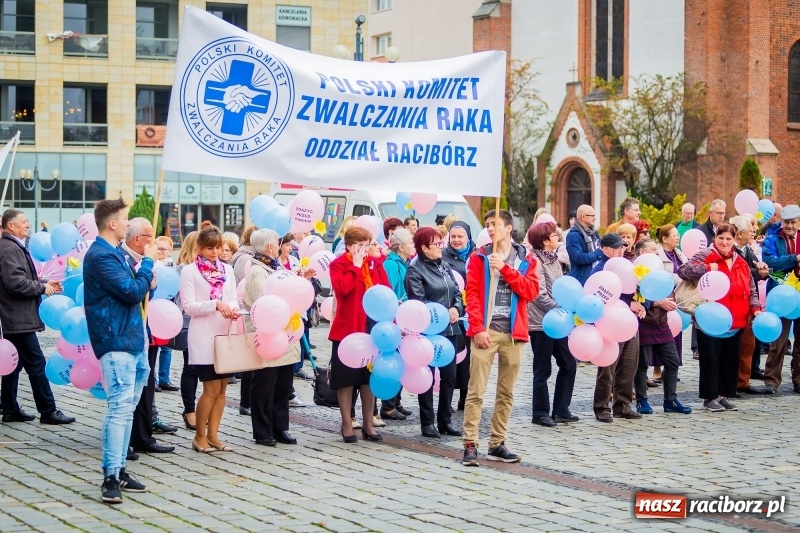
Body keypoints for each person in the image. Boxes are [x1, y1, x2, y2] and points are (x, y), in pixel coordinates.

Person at [83, 199, 155, 503]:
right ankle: (110, 475)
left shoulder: (115, 254)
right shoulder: (101, 256)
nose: (128, 224)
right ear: (112, 224)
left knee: (127, 410)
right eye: (125, 219)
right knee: (119, 408)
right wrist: (148, 265)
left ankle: (121, 468)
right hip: (115, 342)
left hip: (133, 341)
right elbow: (132, 291)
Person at [462, 209, 539, 466]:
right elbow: (471, 294)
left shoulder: (525, 258)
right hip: (487, 330)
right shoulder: (479, 257)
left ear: (509, 228)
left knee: (506, 392)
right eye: (488, 224)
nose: (491, 228)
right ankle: (470, 443)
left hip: (514, 333)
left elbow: (530, 291)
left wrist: (505, 269)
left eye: (496, 224)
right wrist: (478, 328)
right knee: (476, 391)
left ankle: (497, 443)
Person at [0, 209, 75, 425]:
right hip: (16, 318)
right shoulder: (9, 248)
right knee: (36, 363)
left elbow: (16, 278)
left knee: (14, 364)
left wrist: (40, 280)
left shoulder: (11, 246)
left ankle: (10, 408)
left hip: (14, 317)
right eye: (23, 222)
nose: (27, 225)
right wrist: (42, 288)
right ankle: (48, 411)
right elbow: (15, 284)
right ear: (11, 226)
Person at [678, 223, 760, 412]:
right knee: (711, 359)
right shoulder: (706, 255)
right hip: (710, 318)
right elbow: (683, 270)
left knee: (730, 359)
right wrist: (706, 268)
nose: (724, 242)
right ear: (715, 238)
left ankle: (724, 395)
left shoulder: (740, 261)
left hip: (735, 319)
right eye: (721, 238)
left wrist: (755, 308)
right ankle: (709, 398)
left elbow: (752, 288)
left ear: (734, 240)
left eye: (728, 239)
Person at [179, 224, 240, 452]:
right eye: (210, 248)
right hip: (204, 336)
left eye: (217, 248)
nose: (215, 253)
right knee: (210, 389)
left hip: (225, 332)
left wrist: (231, 308)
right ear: (199, 247)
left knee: (223, 390)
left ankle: (214, 434)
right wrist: (215, 304)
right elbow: (189, 306)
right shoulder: (190, 271)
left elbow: (233, 297)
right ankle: (199, 435)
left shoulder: (227, 270)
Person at [328, 227, 391, 443]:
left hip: (370, 328)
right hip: (347, 329)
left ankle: (368, 424)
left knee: (368, 379)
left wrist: (378, 262)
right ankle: (347, 423)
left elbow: (385, 290)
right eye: (361, 245)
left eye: (368, 244)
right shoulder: (338, 265)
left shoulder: (373, 264)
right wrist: (355, 267)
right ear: (349, 245)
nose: (365, 249)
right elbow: (342, 290)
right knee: (346, 379)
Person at [121, 219, 178, 455]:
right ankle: (128, 440)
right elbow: (131, 291)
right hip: (129, 331)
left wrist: (152, 285)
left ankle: (143, 436)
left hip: (148, 329)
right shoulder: (124, 260)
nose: (153, 243)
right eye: (149, 238)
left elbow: (145, 289)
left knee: (146, 385)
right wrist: (147, 276)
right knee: (130, 389)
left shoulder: (140, 261)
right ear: (137, 240)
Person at [243, 229, 301, 446]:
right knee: (265, 385)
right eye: (277, 243)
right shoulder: (258, 271)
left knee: (283, 384)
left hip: (284, 334)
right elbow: (264, 302)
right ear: (269, 247)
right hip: (267, 336)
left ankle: (280, 427)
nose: (279, 246)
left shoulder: (275, 267)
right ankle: (262, 429)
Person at [405, 227, 465, 438]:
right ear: (423, 247)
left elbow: (457, 292)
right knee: (427, 377)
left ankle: (445, 421)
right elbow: (419, 301)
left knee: (449, 376)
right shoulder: (415, 270)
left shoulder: (445, 266)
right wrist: (440, 313)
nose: (441, 247)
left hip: (450, 329)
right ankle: (427, 422)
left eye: (441, 243)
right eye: (436, 244)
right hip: (428, 332)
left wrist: (456, 308)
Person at [526, 221, 577, 428]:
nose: (558, 238)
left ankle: (561, 409)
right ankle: (540, 413)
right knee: (542, 370)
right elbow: (539, 294)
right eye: (555, 236)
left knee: (569, 364)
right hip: (542, 323)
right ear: (545, 241)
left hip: (559, 321)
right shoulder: (535, 262)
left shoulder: (554, 259)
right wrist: (560, 309)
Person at [632, 238, 692, 415]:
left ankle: (670, 401)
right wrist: (658, 302)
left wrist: (670, 302)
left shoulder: (658, 269)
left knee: (672, 361)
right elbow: (634, 298)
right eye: (653, 249)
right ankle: (642, 401)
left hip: (661, 322)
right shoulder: (635, 271)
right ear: (643, 252)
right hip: (644, 322)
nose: (657, 252)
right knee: (642, 365)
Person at [591, 232, 643, 422]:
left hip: (629, 322)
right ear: (604, 249)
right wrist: (630, 305)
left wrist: (642, 304)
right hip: (609, 324)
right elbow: (599, 296)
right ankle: (601, 407)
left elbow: (637, 290)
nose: (621, 250)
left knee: (629, 365)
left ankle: (623, 404)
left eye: (622, 247)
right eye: (616, 248)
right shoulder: (600, 270)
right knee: (608, 366)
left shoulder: (627, 266)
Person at [760, 204, 800, 394]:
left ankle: (798, 379)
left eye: (793, 222)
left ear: (798, 223)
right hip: (780, 296)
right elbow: (771, 263)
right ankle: (771, 380)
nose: (789, 226)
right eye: (786, 222)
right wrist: (795, 259)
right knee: (778, 340)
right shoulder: (772, 238)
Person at [728, 215, 770, 395]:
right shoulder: (731, 250)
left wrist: (761, 267)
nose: (753, 231)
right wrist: (758, 272)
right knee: (734, 348)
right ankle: (731, 383)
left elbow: (753, 267)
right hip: (734, 304)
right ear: (739, 233)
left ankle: (743, 382)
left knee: (748, 345)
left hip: (749, 303)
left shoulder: (747, 249)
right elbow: (739, 274)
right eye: (749, 229)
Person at [379, 228, 414, 421]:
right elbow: (390, 292)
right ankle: (388, 406)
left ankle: (396, 401)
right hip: (395, 319)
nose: (413, 246)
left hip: (405, 317)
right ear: (400, 247)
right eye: (410, 242)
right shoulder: (391, 265)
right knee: (392, 362)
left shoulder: (404, 262)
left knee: (402, 361)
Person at [442, 221, 475, 410]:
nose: (456, 240)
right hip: (452, 313)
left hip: (472, 314)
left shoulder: (477, 255)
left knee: (470, 359)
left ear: (468, 238)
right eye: (452, 236)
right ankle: (447, 400)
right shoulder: (444, 257)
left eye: (459, 237)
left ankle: (466, 397)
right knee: (453, 357)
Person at [654, 224, 688, 383]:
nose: (677, 237)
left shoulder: (679, 253)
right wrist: (678, 278)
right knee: (661, 331)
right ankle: (656, 369)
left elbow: (685, 270)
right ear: (664, 239)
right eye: (674, 235)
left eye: (677, 234)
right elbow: (663, 275)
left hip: (678, 297)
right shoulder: (657, 254)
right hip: (663, 297)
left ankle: (671, 367)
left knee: (676, 331)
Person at [174, 231, 200, 429]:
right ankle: (189, 410)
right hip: (190, 322)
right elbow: (179, 300)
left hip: (207, 322)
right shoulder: (183, 270)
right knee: (190, 366)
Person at [153, 236, 178, 392]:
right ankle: (153, 380)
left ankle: (164, 378)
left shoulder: (172, 267)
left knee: (167, 348)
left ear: (170, 250)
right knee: (153, 348)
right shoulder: (152, 266)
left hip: (169, 310)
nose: (161, 252)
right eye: (158, 248)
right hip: (154, 309)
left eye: (164, 249)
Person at [565, 204, 603, 285]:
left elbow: (602, 248)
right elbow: (579, 258)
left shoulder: (594, 233)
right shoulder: (573, 236)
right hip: (582, 281)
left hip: (597, 278)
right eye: (592, 216)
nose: (595, 218)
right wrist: (598, 253)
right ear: (583, 217)